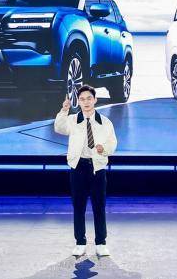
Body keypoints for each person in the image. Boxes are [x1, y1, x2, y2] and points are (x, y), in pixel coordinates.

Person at [54, 85, 117, 258]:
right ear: (79, 102)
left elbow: (112, 144)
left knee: (99, 206)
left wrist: (103, 148)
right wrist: (64, 110)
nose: (86, 102)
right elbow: (59, 128)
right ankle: (80, 242)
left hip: (97, 168)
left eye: (89, 98)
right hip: (78, 167)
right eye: (82, 99)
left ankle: (101, 243)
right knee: (79, 206)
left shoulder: (105, 122)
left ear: (95, 100)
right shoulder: (73, 120)